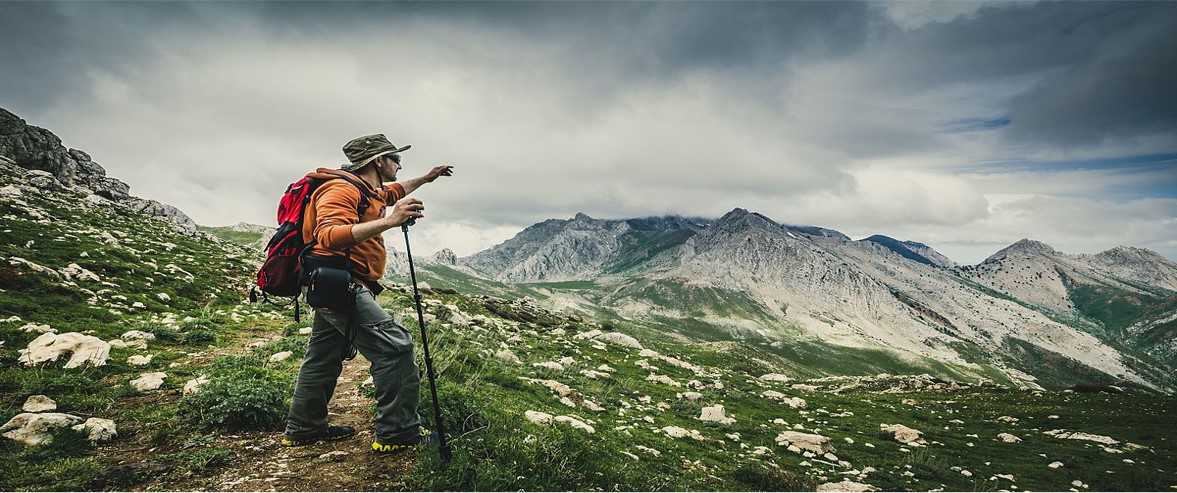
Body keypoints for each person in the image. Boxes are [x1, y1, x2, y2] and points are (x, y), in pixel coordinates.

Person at [281, 134, 453, 453]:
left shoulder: (367, 190)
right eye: (394, 158)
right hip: (338, 284)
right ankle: (399, 433)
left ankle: (304, 428)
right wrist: (391, 222)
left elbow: (394, 191)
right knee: (395, 347)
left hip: (332, 283)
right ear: (378, 161)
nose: (399, 164)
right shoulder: (341, 189)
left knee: (323, 356)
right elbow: (329, 236)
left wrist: (428, 178)